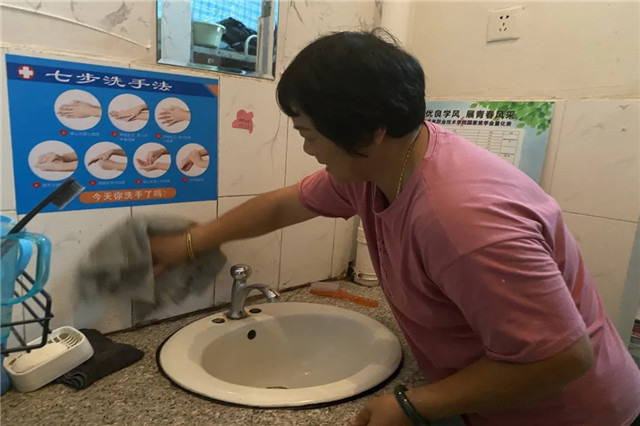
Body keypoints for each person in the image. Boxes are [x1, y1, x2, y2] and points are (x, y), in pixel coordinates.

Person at [149, 30, 640, 426]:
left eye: (309, 134)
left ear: (369, 132)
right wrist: (191, 242)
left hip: (567, 413)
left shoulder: (464, 220)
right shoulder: (381, 166)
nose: (307, 149)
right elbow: (286, 205)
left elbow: (561, 359)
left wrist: (412, 405)